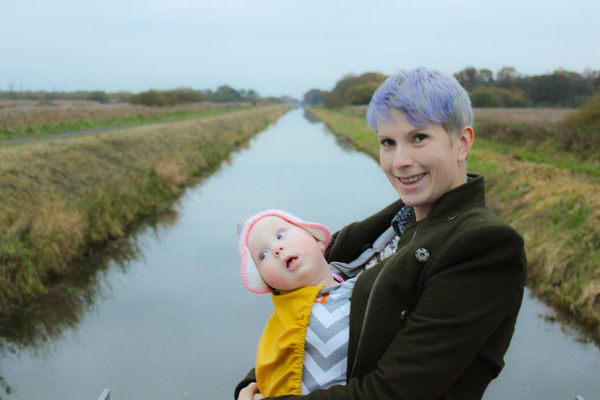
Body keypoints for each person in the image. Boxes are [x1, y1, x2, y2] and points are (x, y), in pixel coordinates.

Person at [235, 68, 527, 400]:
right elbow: (300, 314)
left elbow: (394, 391)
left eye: (419, 138)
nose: (399, 161)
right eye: (388, 142)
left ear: (462, 143)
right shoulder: (388, 226)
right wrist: (254, 384)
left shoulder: (485, 245)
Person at [238, 210, 357, 397]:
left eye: (280, 235)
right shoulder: (284, 322)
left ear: (317, 240)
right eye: (263, 255)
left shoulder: (360, 285)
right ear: (269, 284)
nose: (276, 249)